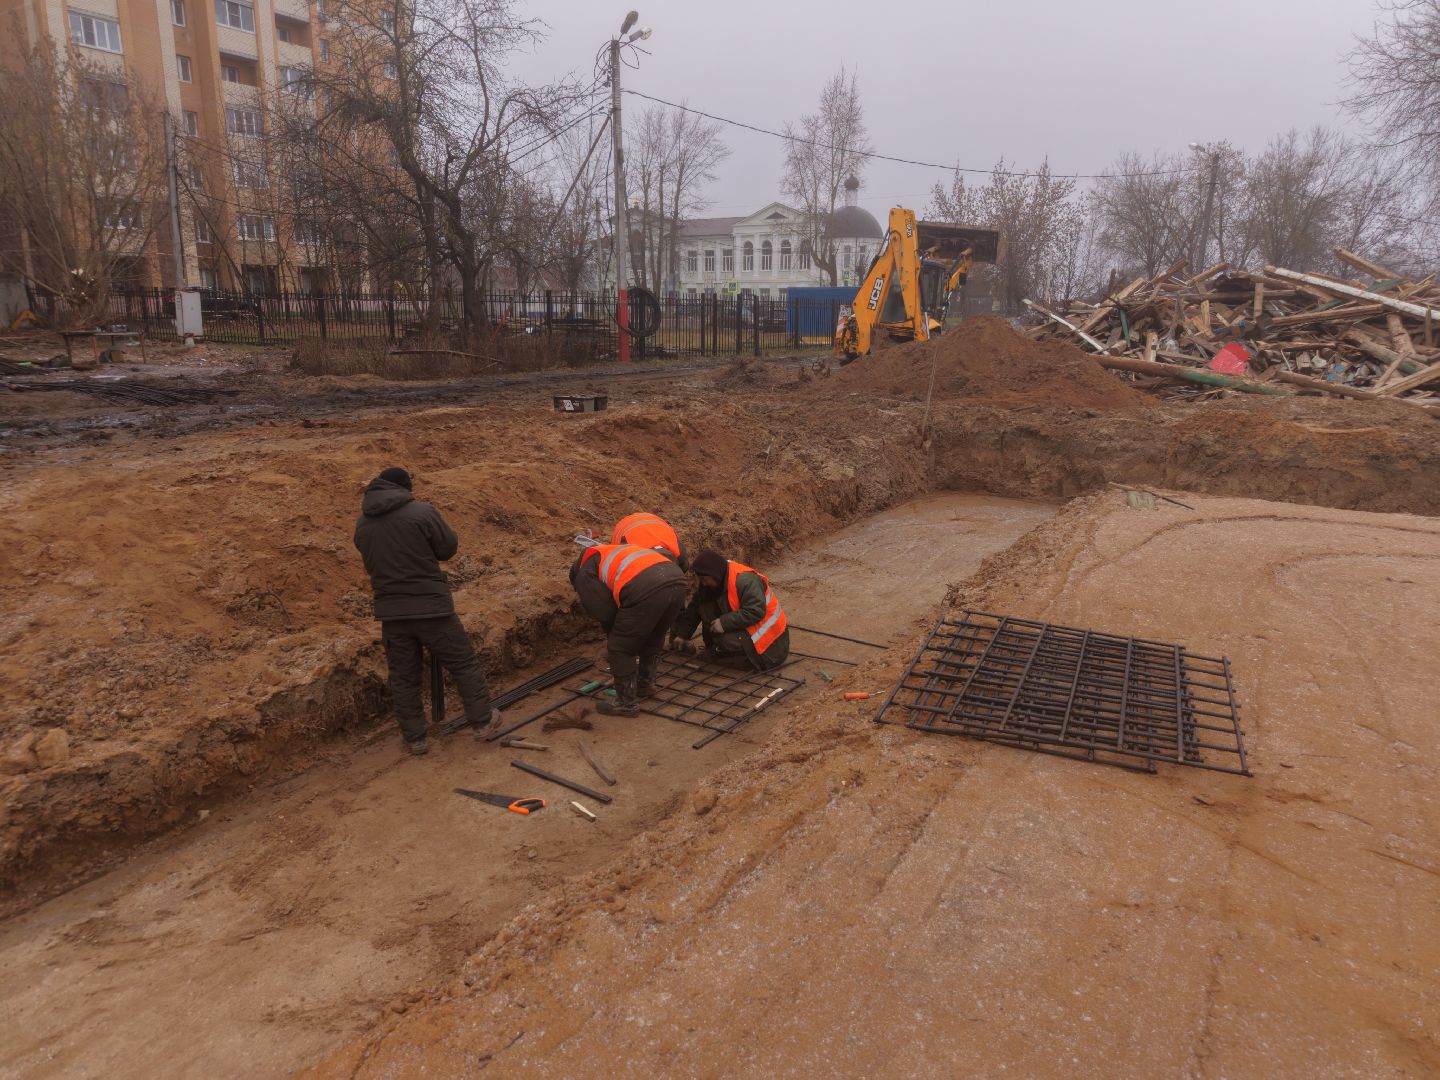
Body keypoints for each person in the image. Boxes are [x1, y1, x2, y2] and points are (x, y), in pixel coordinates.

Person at [353, 467, 499, 755]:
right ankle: (482, 723)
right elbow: (447, 548)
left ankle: (415, 739)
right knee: (463, 663)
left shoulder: (363, 524)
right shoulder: (421, 511)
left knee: (404, 676)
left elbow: (370, 564)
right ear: (404, 489)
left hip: (392, 612)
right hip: (431, 608)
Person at [570, 541, 688, 716]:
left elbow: (605, 613)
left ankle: (626, 703)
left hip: (648, 586)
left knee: (620, 647)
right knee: (654, 635)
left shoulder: (584, 574)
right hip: (677, 580)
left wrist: (619, 641)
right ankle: (645, 684)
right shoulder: (610, 553)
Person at [670, 549, 790, 671]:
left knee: (723, 639)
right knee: (706, 608)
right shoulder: (714, 578)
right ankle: (724, 651)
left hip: (770, 646)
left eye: (704, 579)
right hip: (750, 629)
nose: (703, 583)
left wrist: (724, 623)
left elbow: (755, 611)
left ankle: (741, 656)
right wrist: (682, 634)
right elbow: (696, 607)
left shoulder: (745, 581)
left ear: (715, 574)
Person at [610, 512, 690, 571]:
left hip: (651, 521)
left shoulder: (678, 550)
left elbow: (684, 566)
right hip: (625, 526)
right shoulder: (630, 555)